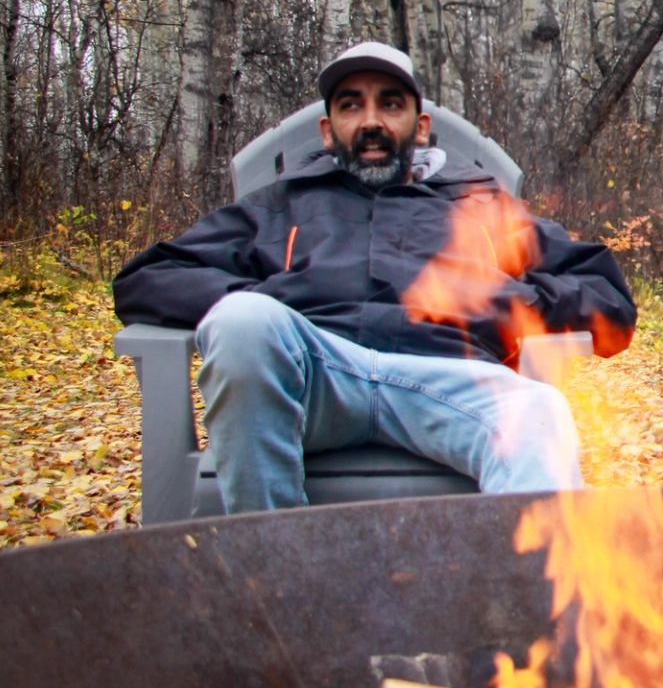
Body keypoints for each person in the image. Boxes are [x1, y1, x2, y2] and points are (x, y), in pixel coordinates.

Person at [114, 41, 636, 512]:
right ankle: (272, 580)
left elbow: (605, 291)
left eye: (390, 103)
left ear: (421, 125)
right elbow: (149, 278)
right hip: (315, 380)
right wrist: (272, 297)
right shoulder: (279, 206)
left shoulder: (480, 208)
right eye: (350, 105)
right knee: (243, 323)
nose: (371, 121)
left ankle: (517, 613)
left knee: (541, 414)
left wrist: (504, 301)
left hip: (451, 383)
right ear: (327, 130)